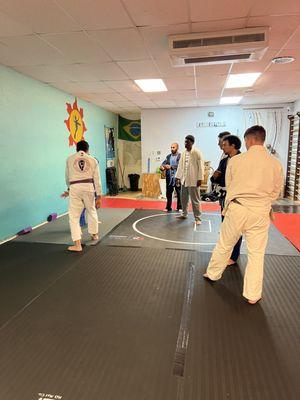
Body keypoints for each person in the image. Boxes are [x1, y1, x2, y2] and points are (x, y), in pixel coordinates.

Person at [204, 126, 283, 304]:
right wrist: (261, 201)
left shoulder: (236, 161)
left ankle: (213, 274)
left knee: (224, 244)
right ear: (262, 139)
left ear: (248, 140)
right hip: (261, 212)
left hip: (238, 209)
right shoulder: (275, 164)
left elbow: (230, 186)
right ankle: (253, 295)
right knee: (256, 254)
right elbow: (276, 192)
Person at [61, 140, 102, 252]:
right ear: (87, 149)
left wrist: (69, 189)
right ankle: (94, 235)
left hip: (75, 188)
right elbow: (97, 180)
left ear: (76, 149)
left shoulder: (69, 159)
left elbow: (67, 177)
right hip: (89, 187)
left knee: (74, 216)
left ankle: (77, 245)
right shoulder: (93, 160)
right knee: (91, 210)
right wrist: (99, 196)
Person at [210, 135, 243, 265]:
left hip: (238, 198)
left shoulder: (242, 160)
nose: (222, 147)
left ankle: (234, 256)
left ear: (233, 145)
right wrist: (214, 177)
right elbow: (216, 178)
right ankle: (227, 252)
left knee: (236, 227)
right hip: (225, 198)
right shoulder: (224, 161)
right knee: (226, 226)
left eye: (224, 145)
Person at [175, 135, 204, 225]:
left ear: (192, 142)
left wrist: (200, 178)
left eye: (187, 142)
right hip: (184, 180)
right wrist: (178, 178)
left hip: (193, 180)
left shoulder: (197, 152)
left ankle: (198, 218)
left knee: (195, 200)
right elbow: (180, 166)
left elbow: (201, 166)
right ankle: (184, 214)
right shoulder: (183, 153)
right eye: (185, 142)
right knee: (183, 199)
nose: (185, 143)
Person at [160, 143, 182, 212]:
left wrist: (171, 167)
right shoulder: (168, 156)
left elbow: (181, 166)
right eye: (171, 147)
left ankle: (180, 207)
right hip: (169, 178)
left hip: (177, 178)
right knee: (168, 193)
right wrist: (162, 167)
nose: (172, 149)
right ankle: (168, 207)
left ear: (177, 148)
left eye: (173, 147)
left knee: (179, 193)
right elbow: (163, 163)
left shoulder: (180, 156)